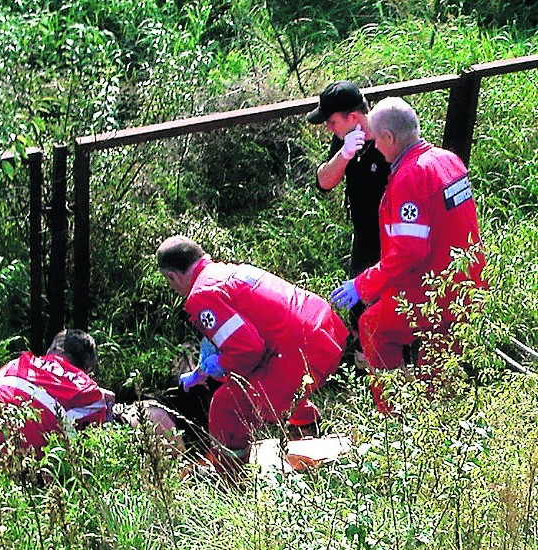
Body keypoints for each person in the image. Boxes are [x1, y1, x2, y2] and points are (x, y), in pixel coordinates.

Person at [330, 97, 486, 413]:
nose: (374, 147)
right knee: (437, 369)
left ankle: (393, 416)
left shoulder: (410, 177)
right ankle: (434, 421)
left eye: (375, 140)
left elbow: (409, 251)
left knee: (374, 325)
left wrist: (362, 285)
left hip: (436, 290)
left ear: (389, 138)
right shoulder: (447, 160)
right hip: (466, 284)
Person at [156, 235, 349, 470]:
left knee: (226, 405)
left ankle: (231, 480)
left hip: (300, 352)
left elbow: (247, 351)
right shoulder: (227, 271)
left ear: (172, 276)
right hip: (325, 330)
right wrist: (210, 367)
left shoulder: (202, 295)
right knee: (253, 381)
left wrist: (219, 365)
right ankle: (306, 428)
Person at [307, 80, 391, 367]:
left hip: (393, 238)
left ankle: (395, 368)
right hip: (364, 235)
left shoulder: (388, 136)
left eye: (332, 122)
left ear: (353, 117)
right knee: (359, 308)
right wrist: (343, 155)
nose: (329, 128)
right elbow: (324, 181)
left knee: (390, 307)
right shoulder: (346, 138)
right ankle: (365, 369)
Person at [0, 329, 115, 458]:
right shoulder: (89, 393)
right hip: (22, 463)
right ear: (87, 367)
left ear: (54, 350)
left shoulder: (17, 364)